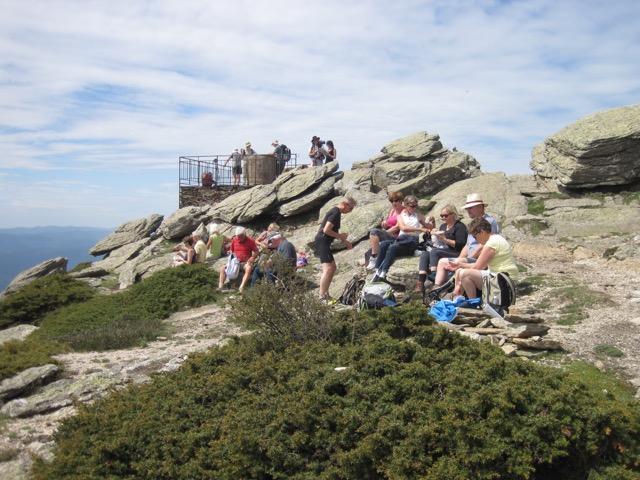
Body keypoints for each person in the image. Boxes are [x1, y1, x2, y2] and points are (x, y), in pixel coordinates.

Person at [433, 193, 500, 287]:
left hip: (480, 259)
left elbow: (486, 244)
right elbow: (468, 245)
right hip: (471, 257)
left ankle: (442, 289)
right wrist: (460, 259)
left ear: (481, 207)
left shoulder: (489, 221)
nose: (468, 211)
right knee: (443, 262)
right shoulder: (474, 223)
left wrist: (467, 258)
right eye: (467, 208)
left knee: (444, 262)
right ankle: (438, 288)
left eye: (471, 208)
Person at [450, 217, 518, 299]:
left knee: (465, 274)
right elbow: (478, 264)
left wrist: (460, 264)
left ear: (482, 232)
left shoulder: (491, 243)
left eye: (475, 237)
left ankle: (466, 300)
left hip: (504, 280)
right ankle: (469, 301)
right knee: (463, 274)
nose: (476, 240)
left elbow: (477, 267)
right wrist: (460, 266)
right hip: (501, 277)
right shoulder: (496, 238)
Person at [372, 195, 434, 282]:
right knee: (383, 244)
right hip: (402, 239)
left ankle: (383, 271)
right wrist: (419, 229)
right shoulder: (401, 216)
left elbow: (428, 226)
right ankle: (377, 268)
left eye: (416, 206)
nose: (414, 208)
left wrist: (432, 221)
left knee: (392, 247)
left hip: (412, 240)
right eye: (412, 206)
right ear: (406, 205)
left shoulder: (418, 215)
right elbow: (403, 228)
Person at [415, 205, 467, 293]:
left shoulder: (459, 226)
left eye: (445, 215)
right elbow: (438, 243)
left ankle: (434, 276)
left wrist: (445, 240)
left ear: (453, 214)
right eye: (441, 216)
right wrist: (434, 235)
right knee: (425, 254)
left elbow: (460, 244)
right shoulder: (443, 226)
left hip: (456, 252)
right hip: (444, 249)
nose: (443, 218)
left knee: (435, 252)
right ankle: (420, 282)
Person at [315, 197, 357, 302]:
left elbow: (331, 231)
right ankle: (322, 296)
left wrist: (345, 242)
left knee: (332, 267)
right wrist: (341, 236)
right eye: (351, 208)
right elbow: (326, 230)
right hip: (323, 241)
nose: (350, 211)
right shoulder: (336, 212)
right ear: (345, 204)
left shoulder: (335, 211)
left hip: (323, 241)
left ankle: (325, 294)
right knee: (328, 268)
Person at [366, 191, 404, 270]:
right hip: (389, 234)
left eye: (396, 200)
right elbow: (388, 222)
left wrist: (383, 233)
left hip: (397, 237)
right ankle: (369, 271)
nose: (394, 203)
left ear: (401, 200)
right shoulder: (393, 210)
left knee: (374, 232)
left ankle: (374, 258)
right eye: (391, 201)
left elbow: (397, 227)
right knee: (368, 253)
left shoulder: (403, 211)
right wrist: (384, 224)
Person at [217, 226, 258, 293]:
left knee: (248, 268)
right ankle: (220, 286)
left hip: (244, 262)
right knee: (222, 268)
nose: (239, 237)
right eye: (237, 236)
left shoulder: (250, 241)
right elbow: (231, 250)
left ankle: (241, 287)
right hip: (235, 262)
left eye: (240, 236)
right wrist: (231, 257)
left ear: (244, 234)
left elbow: (256, 251)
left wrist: (252, 257)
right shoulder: (234, 240)